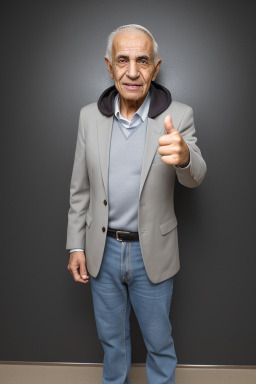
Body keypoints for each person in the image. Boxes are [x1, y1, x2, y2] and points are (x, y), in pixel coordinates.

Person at [66, 24, 207, 384]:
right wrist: (76, 245)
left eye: (142, 61)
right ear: (109, 66)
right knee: (112, 342)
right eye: (123, 60)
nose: (132, 72)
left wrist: (185, 156)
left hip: (152, 252)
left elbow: (196, 176)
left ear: (155, 68)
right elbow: (80, 189)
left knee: (159, 342)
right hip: (103, 251)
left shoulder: (179, 115)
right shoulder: (88, 117)